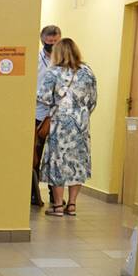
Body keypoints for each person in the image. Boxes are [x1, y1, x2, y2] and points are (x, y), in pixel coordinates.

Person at [37, 37, 97, 217]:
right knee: (77, 162)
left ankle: (57, 206)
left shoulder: (52, 72)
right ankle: (71, 205)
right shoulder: (87, 71)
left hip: (59, 124)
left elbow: (44, 97)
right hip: (81, 123)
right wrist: (81, 113)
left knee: (58, 162)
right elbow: (93, 100)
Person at [33, 25, 62, 207]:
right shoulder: (36, 60)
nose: (52, 45)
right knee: (35, 155)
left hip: (59, 114)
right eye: (48, 42)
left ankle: (55, 195)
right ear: (42, 40)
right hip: (38, 113)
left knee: (57, 157)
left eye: (55, 41)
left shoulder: (65, 61)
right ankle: (34, 194)